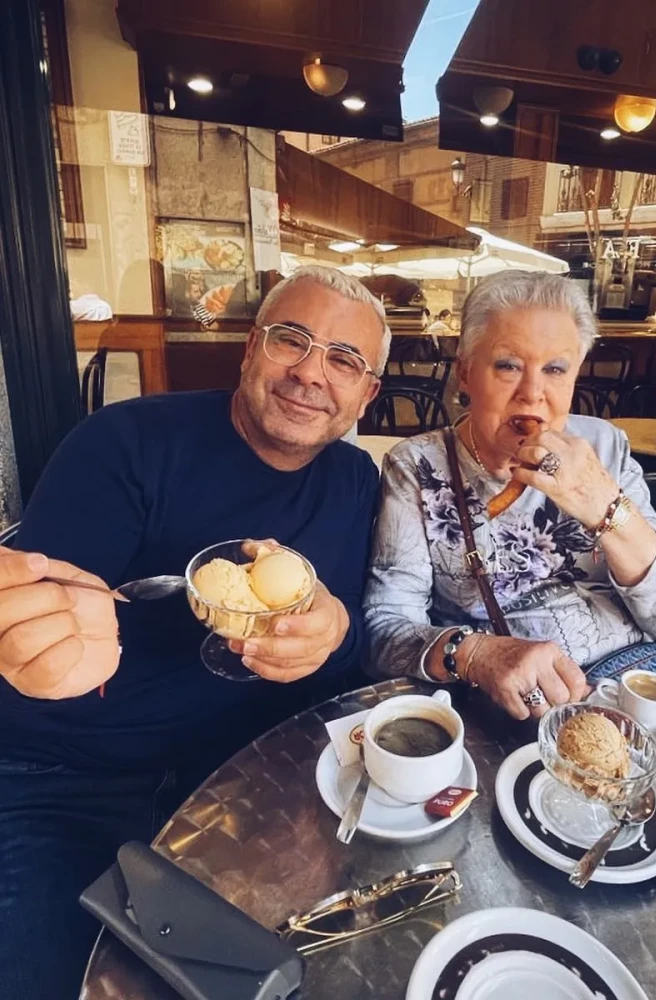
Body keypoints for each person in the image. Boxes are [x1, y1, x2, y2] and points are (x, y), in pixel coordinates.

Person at [0, 265, 389, 1000]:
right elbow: (44, 608)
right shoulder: (128, 442)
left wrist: (336, 633)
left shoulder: (355, 483)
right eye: (292, 341)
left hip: (246, 781)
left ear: (366, 395)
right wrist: (33, 645)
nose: (311, 373)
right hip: (63, 780)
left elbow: (354, 647)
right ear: (249, 350)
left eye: (344, 360)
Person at [364, 270, 656, 720]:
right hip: (518, 709)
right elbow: (385, 629)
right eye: (508, 366)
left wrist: (604, 504)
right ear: (466, 372)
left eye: (555, 369)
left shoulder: (604, 448)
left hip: (637, 693)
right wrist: (477, 654)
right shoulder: (419, 466)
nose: (532, 393)